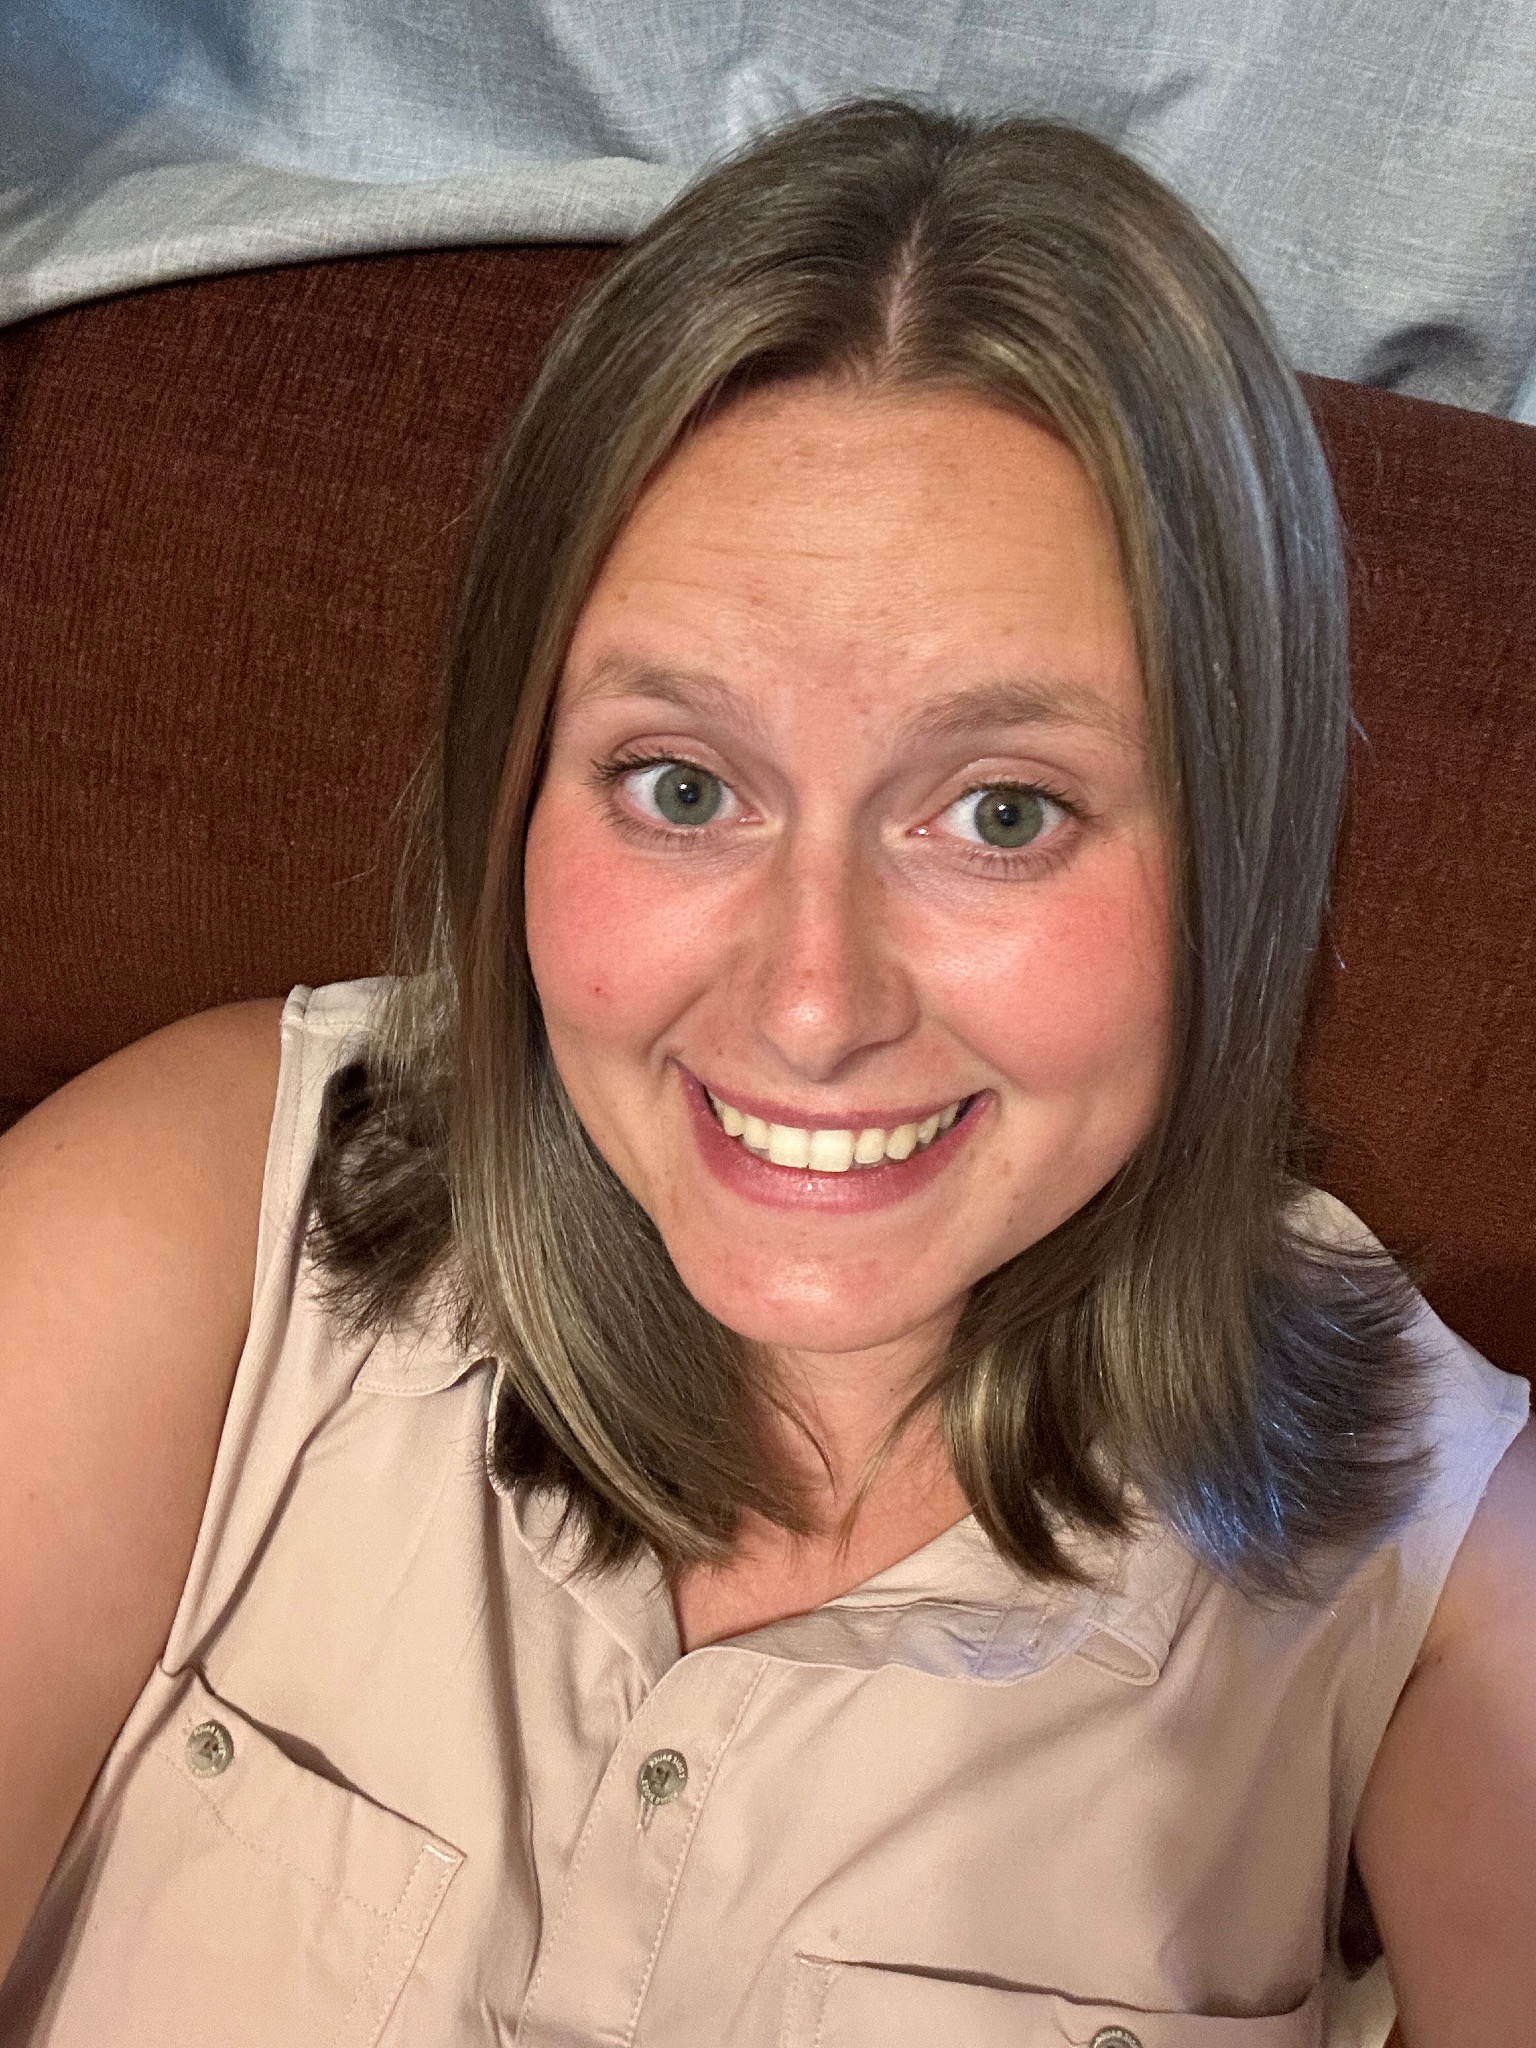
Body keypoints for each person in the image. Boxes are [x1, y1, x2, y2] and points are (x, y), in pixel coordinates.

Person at [0, 99, 1531, 2048]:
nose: (812, 1004)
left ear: (1239, 852)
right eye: (681, 784)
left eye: (1002, 809)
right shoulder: (207, 1214)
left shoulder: (1434, 1549)